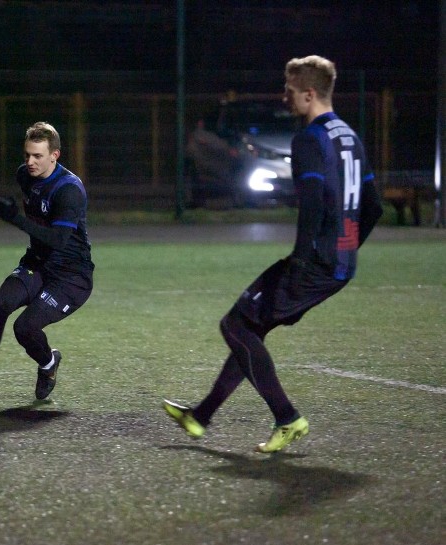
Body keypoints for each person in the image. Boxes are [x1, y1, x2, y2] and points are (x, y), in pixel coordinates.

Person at [163, 56, 383, 453]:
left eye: (290, 90)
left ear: (309, 94)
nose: (285, 97)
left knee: (235, 327)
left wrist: (301, 260)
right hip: (338, 263)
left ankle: (287, 417)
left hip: (313, 263)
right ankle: (201, 416)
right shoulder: (350, 136)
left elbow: (313, 205)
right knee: (251, 328)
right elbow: (375, 208)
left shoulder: (309, 139)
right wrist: (347, 250)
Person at [0, 122, 94, 400]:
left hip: (70, 277)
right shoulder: (24, 176)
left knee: (24, 328)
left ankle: (49, 364)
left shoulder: (69, 190)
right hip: (37, 263)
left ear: (55, 155)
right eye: (27, 154)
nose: (30, 162)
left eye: (38, 156)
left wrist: (15, 219)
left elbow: (59, 240)